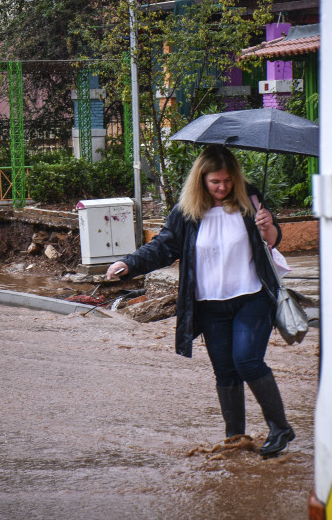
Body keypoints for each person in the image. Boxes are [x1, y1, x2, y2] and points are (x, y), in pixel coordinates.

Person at [105, 145, 295, 457]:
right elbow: (164, 247)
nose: (223, 188)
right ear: (201, 181)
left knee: (246, 360)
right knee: (225, 372)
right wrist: (130, 263)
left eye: (227, 181)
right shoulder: (186, 213)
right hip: (210, 306)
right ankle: (236, 437)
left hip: (252, 298)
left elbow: (272, 241)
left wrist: (268, 226)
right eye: (215, 182)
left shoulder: (250, 202)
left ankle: (280, 428)